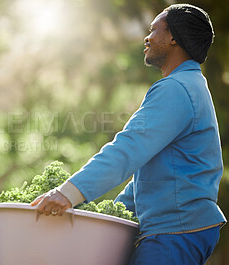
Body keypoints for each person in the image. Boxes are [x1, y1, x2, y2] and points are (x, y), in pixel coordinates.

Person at [31, 4, 226, 265]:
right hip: (176, 228)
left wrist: (69, 192)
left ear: (172, 38)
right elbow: (149, 173)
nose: (147, 37)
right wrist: (115, 213)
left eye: (153, 29)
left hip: (174, 230)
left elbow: (127, 148)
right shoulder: (189, 85)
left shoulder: (176, 89)